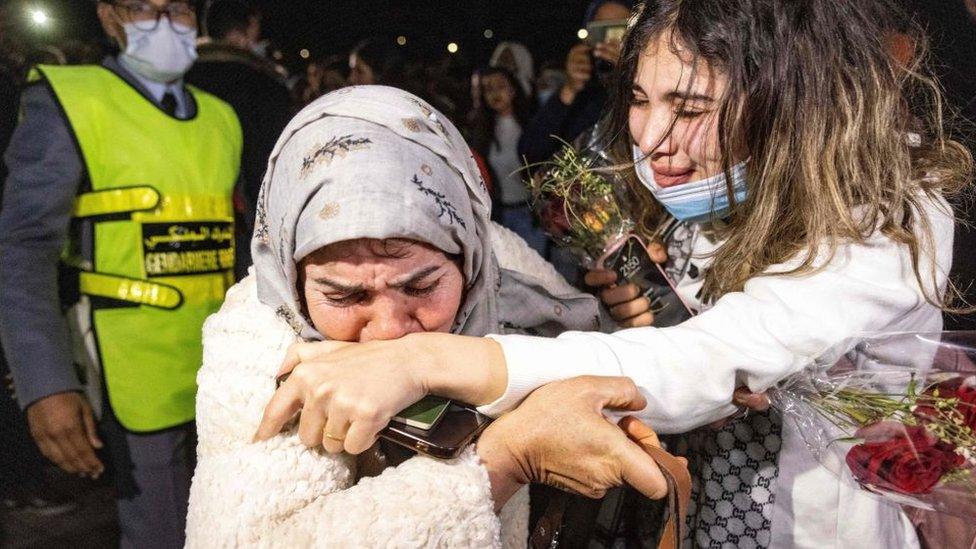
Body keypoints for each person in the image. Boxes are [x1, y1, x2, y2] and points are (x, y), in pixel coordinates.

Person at [254, 0, 974, 547]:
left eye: (689, 108)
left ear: (789, 103)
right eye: (638, 99)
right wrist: (643, 313)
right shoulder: (720, 190)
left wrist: (422, 358)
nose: (652, 141)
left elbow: (708, 359)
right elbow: (677, 353)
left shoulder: (886, 214)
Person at [187, 86, 669, 546]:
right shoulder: (257, 339)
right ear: (292, 276)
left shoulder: (498, 266)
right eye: (346, 296)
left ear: (468, 258)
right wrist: (500, 461)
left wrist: (626, 326)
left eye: (420, 286)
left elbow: (605, 371)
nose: (391, 331)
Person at [0, 0, 242, 546]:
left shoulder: (222, 116)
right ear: (110, 17)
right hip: (132, 379)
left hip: (226, 377)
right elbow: (24, 248)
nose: (162, 23)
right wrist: (45, 385)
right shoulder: (70, 99)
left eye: (175, 9)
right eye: (141, 8)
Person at [186, 0, 291, 280]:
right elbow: (272, 168)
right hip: (245, 225)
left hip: (178, 218)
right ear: (251, 25)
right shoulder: (265, 85)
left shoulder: (174, 79)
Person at [517, 0, 633, 166]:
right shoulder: (580, 90)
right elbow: (530, 154)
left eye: (618, 30)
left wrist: (629, 73)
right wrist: (569, 89)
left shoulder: (649, 84)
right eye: (602, 30)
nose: (610, 42)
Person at [468, 67, 545, 254]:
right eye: (488, 89)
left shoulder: (532, 124)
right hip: (500, 217)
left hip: (531, 215)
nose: (495, 93)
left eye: (500, 86)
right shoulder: (482, 133)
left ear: (513, 89)